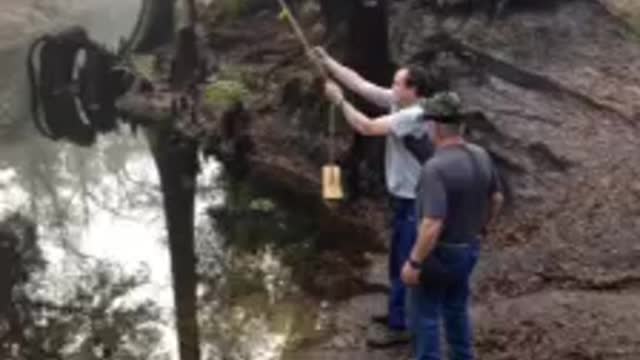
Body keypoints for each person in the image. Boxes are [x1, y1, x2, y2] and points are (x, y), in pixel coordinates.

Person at [314, 47, 439, 347]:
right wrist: (328, 62)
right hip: (403, 198)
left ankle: (403, 326)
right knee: (397, 258)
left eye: (398, 84)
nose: (392, 88)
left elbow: (367, 126)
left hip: (415, 201)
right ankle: (398, 314)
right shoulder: (400, 102)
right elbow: (362, 85)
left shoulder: (415, 114)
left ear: (414, 90)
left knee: (406, 261)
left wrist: (339, 101)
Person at [401, 101, 504, 360]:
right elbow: (497, 198)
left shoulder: (434, 169)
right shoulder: (481, 155)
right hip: (469, 248)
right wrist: (482, 229)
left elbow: (432, 224)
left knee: (426, 315)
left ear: (435, 128)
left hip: (439, 256)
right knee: (457, 308)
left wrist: (414, 262)